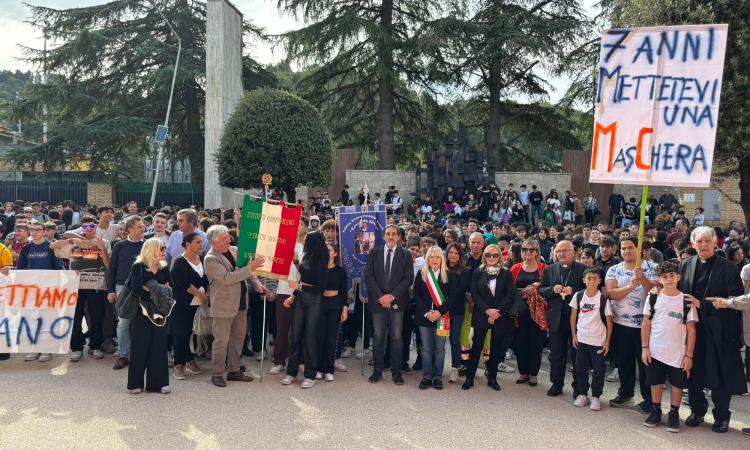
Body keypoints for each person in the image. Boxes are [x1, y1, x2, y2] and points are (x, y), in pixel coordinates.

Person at [678, 226, 746, 433]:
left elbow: (733, 301)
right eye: (699, 241)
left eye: (707, 241)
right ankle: (697, 411)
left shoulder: (729, 268)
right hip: (693, 329)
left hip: (720, 331)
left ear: (716, 243)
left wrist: (705, 304)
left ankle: (722, 416)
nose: (704, 245)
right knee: (693, 374)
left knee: (720, 376)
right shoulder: (686, 264)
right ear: (693, 244)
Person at [205, 225, 266, 388]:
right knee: (221, 341)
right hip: (223, 305)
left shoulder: (234, 249)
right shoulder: (210, 259)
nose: (229, 239)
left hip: (241, 302)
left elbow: (248, 273)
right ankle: (217, 373)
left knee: (238, 339)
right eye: (224, 238)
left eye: (227, 236)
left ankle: (234, 370)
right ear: (213, 242)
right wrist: (250, 267)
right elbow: (227, 278)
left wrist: (257, 284)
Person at [641, 261, 698, 432]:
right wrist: (645, 348)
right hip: (655, 350)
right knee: (656, 382)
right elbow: (646, 324)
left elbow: (691, 330)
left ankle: (674, 413)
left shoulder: (686, 300)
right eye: (664, 277)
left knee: (677, 384)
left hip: (678, 353)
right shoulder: (653, 297)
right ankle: (656, 410)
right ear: (659, 279)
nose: (669, 279)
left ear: (678, 277)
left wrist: (689, 356)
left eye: (672, 275)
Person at [605, 237, 657, 412]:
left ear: (639, 249)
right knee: (624, 362)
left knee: (645, 365)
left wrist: (642, 279)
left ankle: (649, 399)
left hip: (645, 326)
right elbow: (611, 294)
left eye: (630, 247)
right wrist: (630, 286)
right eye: (623, 248)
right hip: (620, 324)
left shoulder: (653, 268)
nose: (626, 251)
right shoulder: (614, 269)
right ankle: (626, 394)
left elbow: (657, 293)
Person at [50, 216, 111, 362]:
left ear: (95, 227)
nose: (88, 229)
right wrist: (73, 240)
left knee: (97, 317)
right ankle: (76, 348)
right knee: (75, 317)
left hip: (96, 286)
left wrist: (102, 248)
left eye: (91, 226)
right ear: (81, 227)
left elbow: (108, 266)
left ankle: (95, 346)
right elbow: (52, 246)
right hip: (74, 287)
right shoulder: (74, 242)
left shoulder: (105, 242)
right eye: (85, 226)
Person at [364, 224, 415, 385]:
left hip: (397, 303)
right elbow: (368, 275)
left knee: (397, 338)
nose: (391, 236)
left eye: (394, 234)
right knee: (378, 337)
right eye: (388, 234)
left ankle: (396, 372)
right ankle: (377, 371)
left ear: (399, 237)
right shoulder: (375, 252)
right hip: (378, 302)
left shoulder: (406, 254)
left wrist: (391, 296)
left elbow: (408, 279)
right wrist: (381, 297)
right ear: (384, 236)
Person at [462, 244, 516, 391]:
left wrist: (496, 312)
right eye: (488, 255)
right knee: (476, 347)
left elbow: (510, 296)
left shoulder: (506, 273)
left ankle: (492, 377)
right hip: (481, 314)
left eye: (495, 255)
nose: (491, 258)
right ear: (484, 257)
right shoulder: (478, 272)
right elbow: (475, 294)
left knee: (496, 348)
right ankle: (470, 377)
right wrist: (487, 311)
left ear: (500, 256)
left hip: (500, 315)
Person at [281, 232, 329, 388]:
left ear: (314, 242)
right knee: (294, 336)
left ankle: (310, 375)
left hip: (314, 301)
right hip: (301, 299)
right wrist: (294, 295)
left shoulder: (322, 260)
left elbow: (320, 288)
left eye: (308, 239)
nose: (305, 240)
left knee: (310, 338)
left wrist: (299, 287)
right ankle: (291, 373)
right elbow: (303, 278)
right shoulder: (307, 255)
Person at [539, 240, 587, 397]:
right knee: (557, 354)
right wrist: (553, 289)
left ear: (573, 252)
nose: (561, 254)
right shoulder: (549, 269)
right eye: (558, 251)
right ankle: (556, 384)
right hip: (556, 317)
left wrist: (573, 290)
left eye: (565, 251)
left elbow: (591, 291)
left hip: (577, 319)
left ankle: (579, 388)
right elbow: (542, 290)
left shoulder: (584, 269)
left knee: (577, 356)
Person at [126, 238, 172, 394]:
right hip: (141, 312)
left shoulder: (164, 267)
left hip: (160, 311)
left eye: (164, 249)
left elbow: (169, 289)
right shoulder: (138, 266)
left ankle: (158, 384)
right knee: (139, 346)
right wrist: (158, 290)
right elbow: (137, 290)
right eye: (161, 249)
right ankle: (135, 384)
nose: (164, 252)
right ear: (152, 250)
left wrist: (151, 288)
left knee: (159, 346)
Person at [16, 220, 63, 362]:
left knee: (47, 320)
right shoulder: (26, 249)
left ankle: (47, 350)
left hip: (49, 291)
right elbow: (20, 270)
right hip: (31, 291)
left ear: (44, 232)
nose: (35, 232)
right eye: (32, 229)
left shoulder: (52, 247)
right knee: (32, 320)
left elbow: (59, 269)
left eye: (38, 229)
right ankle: (34, 348)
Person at [413, 246, 456, 389]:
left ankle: (437, 377)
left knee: (440, 348)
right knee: (426, 348)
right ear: (427, 259)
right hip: (424, 317)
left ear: (442, 259)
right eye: (432, 257)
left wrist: (439, 312)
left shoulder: (449, 275)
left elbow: (452, 298)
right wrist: (427, 312)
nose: (435, 260)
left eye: (438, 257)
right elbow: (417, 296)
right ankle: (426, 376)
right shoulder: (421, 274)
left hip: (442, 317)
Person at [570, 267, 613, 411]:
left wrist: (607, 342)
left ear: (600, 280)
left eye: (595, 278)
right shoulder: (578, 296)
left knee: (599, 371)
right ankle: (582, 394)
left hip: (598, 341)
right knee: (580, 369)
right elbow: (573, 317)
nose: (592, 281)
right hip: (582, 339)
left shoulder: (603, 299)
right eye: (589, 278)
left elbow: (609, 322)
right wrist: (574, 335)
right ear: (584, 280)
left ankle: (596, 396)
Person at [106, 215, 145, 370]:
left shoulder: (147, 245)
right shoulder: (119, 246)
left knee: (141, 322)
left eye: (143, 227)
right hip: (122, 288)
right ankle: (124, 355)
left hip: (143, 288)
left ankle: (140, 353)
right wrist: (110, 291)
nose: (143, 229)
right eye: (139, 227)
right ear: (130, 229)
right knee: (123, 323)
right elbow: (112, 269)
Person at [169, 232, 209, 380]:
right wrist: (201, 295)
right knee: (181, 333)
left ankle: (190, 360)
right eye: (198, 242)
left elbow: (206, 279)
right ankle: (178, 365)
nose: (201, 245)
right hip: (183, 303)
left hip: (199, 304)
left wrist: (206, 296)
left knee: (193, 332)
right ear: (188, 244)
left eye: (201, 242)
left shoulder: (203, 259)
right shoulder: (180, 261)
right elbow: (183, 283)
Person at [270, 221, 306, 375]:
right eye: (296, 224)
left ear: (306, 228)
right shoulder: (283, 245)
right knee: (282, 328)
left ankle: (300, 360)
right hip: (284, 290)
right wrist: (271, 289)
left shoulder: (310, 248)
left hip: (304, 292)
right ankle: (279, 360)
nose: (298, 226)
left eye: (302, 224)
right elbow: (272, 269)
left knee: (301, 329)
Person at [510, 238, 546, 386]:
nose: (528, 252)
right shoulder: (515, 268)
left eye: (532, 250)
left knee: (536, 343)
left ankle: (533, 374)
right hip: (520, 311)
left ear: (537, 252)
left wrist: (536, 287)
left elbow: (548, 287)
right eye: (525, 249)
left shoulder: (545, 268)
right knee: (520, 342)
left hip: (538, 312)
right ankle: (523, 372)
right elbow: (509, 289)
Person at [318, 242, 348, 382]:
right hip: (319, 304)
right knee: (319, 337)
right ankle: (318, 368)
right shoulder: (318, 268)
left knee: (331, 338)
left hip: (334, 304)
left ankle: (329, 370)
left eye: (329, 250)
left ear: (335, 253)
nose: (326, 252)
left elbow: (343, 292)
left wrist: (345, 309)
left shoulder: (340, 271)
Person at [445, 243, 469, 382]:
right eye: (450, 252)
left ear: (460, 255)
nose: (453, 255)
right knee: (440, 340)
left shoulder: (464, 271)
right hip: (441, 311)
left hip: (456, 311)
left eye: (456, 253)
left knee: (454, 340)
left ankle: (455, 368)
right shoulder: (440, 267)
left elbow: (460, 292)